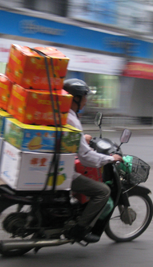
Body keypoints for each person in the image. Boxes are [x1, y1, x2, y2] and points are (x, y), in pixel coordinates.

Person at [63, 78, 122, 243]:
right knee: (103, 191)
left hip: (53, 166)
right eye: (84, 97)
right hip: (62, 172)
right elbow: (86, 157)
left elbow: (69, 139)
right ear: (75, 98)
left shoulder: (62, 113)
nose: (86, 101)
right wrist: (110, 158)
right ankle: (79, 229)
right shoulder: (72, 119)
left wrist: (82, 138)